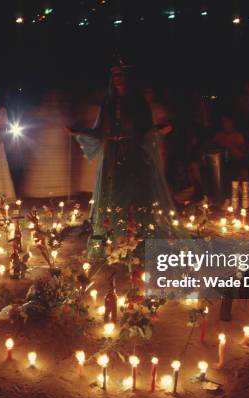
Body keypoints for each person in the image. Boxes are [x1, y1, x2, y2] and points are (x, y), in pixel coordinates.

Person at [70, 61, 184, 255]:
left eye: (121, 75)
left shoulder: (138, 102)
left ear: (128, 77)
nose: (117, 79)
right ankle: (114, 236)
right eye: (114, 76)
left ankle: (137, 236)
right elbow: (99, 131)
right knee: (112, 194)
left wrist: (159, 130)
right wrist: (79, 132)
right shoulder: (107, 102)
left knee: (134, 193)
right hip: (112, 154)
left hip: (133, 153)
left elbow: (146, 128)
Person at [21, 90, 71, 198]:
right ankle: (41, 194)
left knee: (57, 167)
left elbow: (66, 123)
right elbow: (31, 119)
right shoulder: (40, 110)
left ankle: (57, 195)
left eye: (55, 96)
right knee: (43, 169)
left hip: (57, 144)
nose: (53, 99)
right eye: (50, 97)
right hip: (44, 144)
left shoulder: (61, 111)